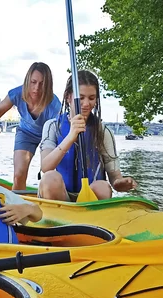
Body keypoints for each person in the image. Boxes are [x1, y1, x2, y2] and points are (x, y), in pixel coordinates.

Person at [38, 70, 137, 201]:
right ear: (68, 97)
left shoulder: (102, 131)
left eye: (91, 98)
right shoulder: (52, 126)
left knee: (103, 187)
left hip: (90, 197)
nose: (86, 104)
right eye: (81, 98)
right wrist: (70, 137)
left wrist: (119, 183)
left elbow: (114, 177)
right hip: (60, 195)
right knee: (50, 179)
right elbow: (46, 167)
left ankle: (90, 216)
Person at [0, 62, 61, 190]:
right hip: (26, 133)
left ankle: (52, 195)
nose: (36, 88)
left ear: (48, 85)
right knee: (18, 174)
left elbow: (58, 132)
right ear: (27, 81)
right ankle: (18, 203)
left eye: (41, 84)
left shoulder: (54, 105)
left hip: (48, 135)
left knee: (50, 172)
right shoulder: (16, 94)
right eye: (33, 82)